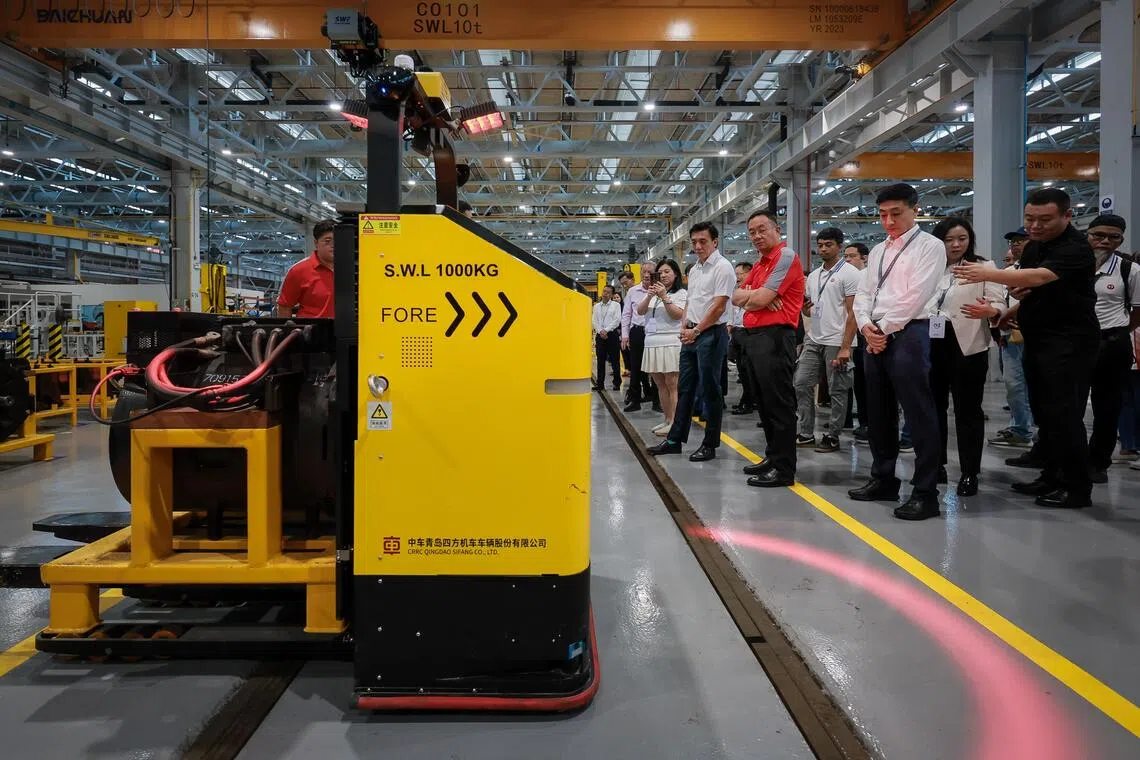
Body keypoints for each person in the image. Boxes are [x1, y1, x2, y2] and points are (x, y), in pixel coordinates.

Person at [955, 188, 1099, 508]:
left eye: (1044, 220)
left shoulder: (1076, 248)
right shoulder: (1034, 247)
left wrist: (990, 273)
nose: (1035, 226)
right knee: (1045, 413)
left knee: (1065, 415)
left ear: (1067, 216)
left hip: (1070, 343)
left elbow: (1041, 276)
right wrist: (1008, 312)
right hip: (1036, 339)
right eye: (1029, 219)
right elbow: (1031, 289)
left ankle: (1076, 487)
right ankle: (1050, 474)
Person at [849, 183, 946, 520]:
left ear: (914, 209)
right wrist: (865, 326)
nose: (888, 221)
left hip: (909, 332)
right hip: (874, 333)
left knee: (919, 412)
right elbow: (864, 293)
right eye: (882, 214)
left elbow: (916, 296)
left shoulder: (930, 247)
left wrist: (883, 329)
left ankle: (925, 491)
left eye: (896, 213)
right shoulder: (877, 251)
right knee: (877, 412)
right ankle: (883, 477)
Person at [926, 217, 1005, 496]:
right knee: (933, 408)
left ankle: (970, 472)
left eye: (962, 238)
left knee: (967, 411)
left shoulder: (983, 267)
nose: (956, 244)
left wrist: (993, 311)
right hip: (932, 343)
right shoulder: (928, 269)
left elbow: (999, 302)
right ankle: (935, 465)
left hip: (968, 345)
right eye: (949, 239)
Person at [648, 223, 735, 462]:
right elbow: (690, 303)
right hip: (690, 334)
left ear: (715, 242)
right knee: (685, 389)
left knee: (710, 390)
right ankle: (675, 440)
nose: (698, 246)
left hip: (710, 334)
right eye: (694, 242)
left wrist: (696, 330)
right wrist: (684, 327)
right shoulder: (695, 269)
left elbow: (719, 306)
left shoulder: (723, 267)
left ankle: (710, 444)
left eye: (703, 241)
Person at [732, 210, 806, 487]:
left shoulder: (785, 257)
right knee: (763, 403)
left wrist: (757, 297)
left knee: (779, 404)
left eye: (762, 229)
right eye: (752, 232)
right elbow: (737, 296)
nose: (756, 236)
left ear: (777, 230)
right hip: (755, 336)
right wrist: (756, 297)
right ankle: (773, 457)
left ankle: (784, 469)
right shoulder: (760, 264)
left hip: (775, 337)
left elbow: (757, 297)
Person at [794, 227, 860, 453]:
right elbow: (816, 309)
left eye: (828, 244)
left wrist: (846, 346)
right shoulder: (813, 276)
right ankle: (805, 433)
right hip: (815, 337)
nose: (823, 249)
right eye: (820, 244)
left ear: (839, 246)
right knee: (801, 383)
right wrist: (806, 311)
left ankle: (833, 436)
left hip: (837, 340)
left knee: (837, 390)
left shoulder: (850, 274)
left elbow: (853, 313)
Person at [1084, 214, 1139, 480]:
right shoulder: (1075, 265)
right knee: (1066, 404)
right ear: (1088, 234)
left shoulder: (1130, 270)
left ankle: (1097, 462)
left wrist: (1119, 331)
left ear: (1121, 240)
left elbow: (1138, 312)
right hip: (1076, 343)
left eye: (1113, 237)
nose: (1105, 241)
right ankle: (1066, 458)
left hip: (1112, 344)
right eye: (1099, 235)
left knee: (1107, 407)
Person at [989, 227, 1035, 450]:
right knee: (1014, 385)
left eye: (1021, 240)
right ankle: (1021, 429)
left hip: (1040, 337)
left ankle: (1034, 431)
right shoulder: (1008, 272)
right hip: (1010, 337)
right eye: (1013, 241)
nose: (1015, 245)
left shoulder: (1042, 269)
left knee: (1038, 386)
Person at [637, 258, 688, 436]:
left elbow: (678, 315)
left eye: (667, 271)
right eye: (661, 272)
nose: (664, 275)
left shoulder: (680, 293)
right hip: (652, 341)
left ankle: (675, 423)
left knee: (672, 384)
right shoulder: (652, 293)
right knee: (660, 384)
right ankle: (667, 419)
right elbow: (640, 311)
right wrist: (650, 295)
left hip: (671, 341)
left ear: (675, 274)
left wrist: (665, 296)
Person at [277, 220, 336, 318]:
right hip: (311, 331)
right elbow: (284, 307)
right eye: (327, 241)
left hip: (346, 332)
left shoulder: (353, 270)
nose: (333, 245)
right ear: (316, 243)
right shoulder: (299, 271)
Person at [621, 263, 659, 412]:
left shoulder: (660, 290)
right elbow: (626, 315)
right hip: (637, 332)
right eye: (644, 271)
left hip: (655, 332)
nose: (647, 275)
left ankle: (657, 401)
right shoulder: (632, 291)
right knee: (636, 367)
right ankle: (635, 400)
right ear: (640, 273)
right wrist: (625, 335)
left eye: (650, 272)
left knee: (656, 368)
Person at [591, 286, 622, 391]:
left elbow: (617, 320)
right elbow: (594, 320)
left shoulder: (616, 305)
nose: (605, 294)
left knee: (615, 360)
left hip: (612, 335)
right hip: (600, 336)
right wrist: (600, 331)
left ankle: (617, 383)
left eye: (608, 292)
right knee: (600, 361)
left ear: (612, 295)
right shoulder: (596, 306)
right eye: (604, 291)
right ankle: (600, 384)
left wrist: (606, 330)